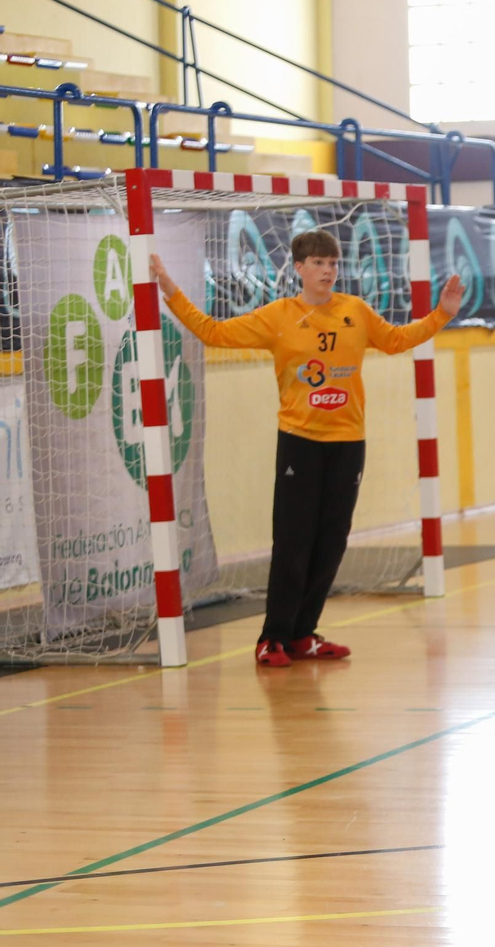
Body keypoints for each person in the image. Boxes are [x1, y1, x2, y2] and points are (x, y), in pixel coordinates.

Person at [150, 234, 462, 667]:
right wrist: (168, 287)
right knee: (294, 542)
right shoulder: (278, 317)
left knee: (331, 542)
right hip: (300, 442)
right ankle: (272, 637)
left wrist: (441, 315)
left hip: (349, 443)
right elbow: (212, 331)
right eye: (318, 262)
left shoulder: (355, 311)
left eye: (333, 262)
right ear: (298, 268)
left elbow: (395, 340)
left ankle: (303, 633)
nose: (328, 270)